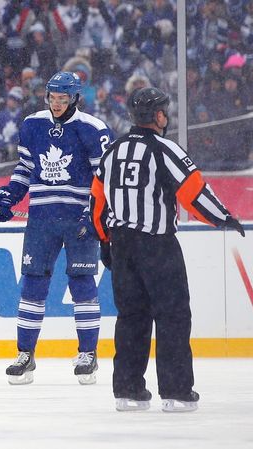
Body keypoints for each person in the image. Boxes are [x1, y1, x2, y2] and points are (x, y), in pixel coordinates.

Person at [90, 87, 245, 412]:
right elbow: (194, 193)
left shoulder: (113, 151)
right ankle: (175, 392)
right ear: (159, 116)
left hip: (123, 246)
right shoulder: (165, 150)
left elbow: (97, 202)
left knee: (131, 316)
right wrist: (224, 218)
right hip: (157, 245)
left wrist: (105, 239)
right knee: (172, 315)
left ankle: (128, 391)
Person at [0, 71, 112, 386]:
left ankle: (88, 354)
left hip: (79, 221)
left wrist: (94, 213)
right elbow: (25, 168)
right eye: (53, 98)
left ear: (75, 99)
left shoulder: (93, 129)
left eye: (63, 99)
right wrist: (8, 195)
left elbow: (104, 179)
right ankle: (25, 355)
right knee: (32, 285)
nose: (57, 104)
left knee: (82, 283)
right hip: (42, 220)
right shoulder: (32, 125)